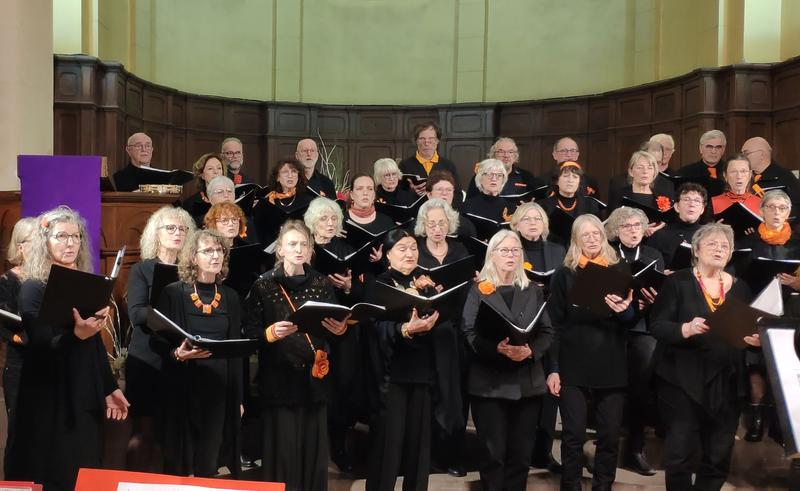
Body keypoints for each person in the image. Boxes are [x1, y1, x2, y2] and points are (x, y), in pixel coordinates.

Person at [8, 206, 129, 491]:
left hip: (82, 390)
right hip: (49, 395)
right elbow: (39, 345)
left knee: (84, 468)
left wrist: (109, 388)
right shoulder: (33, 288)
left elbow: (94, 346)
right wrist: (77, 335)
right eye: (61, 236)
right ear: (44, 241)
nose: (70, 243)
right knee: (54, 471)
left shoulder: (86, 283)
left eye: (75, 237)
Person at [650, 223, 759, 490]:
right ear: (696, 250)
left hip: (727, 380)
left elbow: (747, 327)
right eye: (712, 244)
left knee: (718, 456)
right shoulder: (679, 281)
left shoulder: (740, 287)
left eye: (725, 246)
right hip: (681, 380)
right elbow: (657, 324)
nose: (719, 249)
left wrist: (755, 341)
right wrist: (685, 328)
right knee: (679, 455)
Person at [243, 220, 349, 490]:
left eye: (304, 244)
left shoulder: (321, 283)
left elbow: (335, 324)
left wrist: (341, 328)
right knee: (284, 451)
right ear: (280, 249)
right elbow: (249, 332)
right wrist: (269, 333)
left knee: (313, 451)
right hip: (279, 379)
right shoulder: (263, 286)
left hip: (315, 378)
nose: (299, 249)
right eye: (292, 244)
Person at [546, 214, 635, 491]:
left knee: (609, 436)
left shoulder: (619, 268)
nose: (592, 238)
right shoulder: (565, 273)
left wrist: (624, 311)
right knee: (572, 435)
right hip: (573, 363)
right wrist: (553, 368)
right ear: (576, 240)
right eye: (585, 235)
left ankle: (603, 487)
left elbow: (632, 318)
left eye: (596, 233)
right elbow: (554, 324)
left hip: (610, 362)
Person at [461, 229, 554, 491]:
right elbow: (468, 332)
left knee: (521, 455)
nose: (511, 255)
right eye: (504, 250)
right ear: (492, 255)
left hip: (527, 383)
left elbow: (547, 332)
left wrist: (531, 351)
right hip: (489, 384)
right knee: (493, 454)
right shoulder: (479, 290)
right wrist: (496, 349)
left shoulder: (533, 290)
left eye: (515, 250)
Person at [364, 229, 455, 491]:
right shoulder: (378, 284)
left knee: (419, 448)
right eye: (402, 248)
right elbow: (371, 327)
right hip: (391, 375)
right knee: (387, 448)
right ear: (388, 255)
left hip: (423, 373)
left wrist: (437, 306)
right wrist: (404, 329)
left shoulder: (427, 283)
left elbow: (447, 320)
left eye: (413, 248)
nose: (409, 253)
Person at [155, 229, 243, 477]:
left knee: (209, 460)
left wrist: (238, 398)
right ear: (193, 257)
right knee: (180, 459)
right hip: (184, 384)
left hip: (219, 388)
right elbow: (158, 341)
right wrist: (177, 354)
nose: (216, 256)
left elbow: (236, 351)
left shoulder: (231, 297)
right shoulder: (173, 293)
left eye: (219, 251)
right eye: (208, 251)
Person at [125, 206, 195, 472]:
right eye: (170, 228)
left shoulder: (191, 270)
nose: (177, 233)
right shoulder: (142, 270)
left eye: (182, 229)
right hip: (148, 358)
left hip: (182, 357)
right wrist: (169, 312)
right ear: (156, 233)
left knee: (176, 436)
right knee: (145, 433)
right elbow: (136, 314)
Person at [304, 197, 364, 472]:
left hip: (342, 330)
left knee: (342, 388)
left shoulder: (346, 249)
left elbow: (362, 295)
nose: (329, 224)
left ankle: (339, 447)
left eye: (333, 219)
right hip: (312, 330)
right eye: (323, 219)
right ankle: (312, 450)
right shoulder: (304, 249)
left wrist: (349, 286)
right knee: (313, 388)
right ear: (311, 223)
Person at [605, 207, 664, 476]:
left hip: (642, 328)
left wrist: (653, 299)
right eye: (626, 226)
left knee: (641, 386)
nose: (632, 231)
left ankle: (635, 450)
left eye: (637, 226)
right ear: (617, 230)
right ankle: (607, 443)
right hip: (611, 327)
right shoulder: (607, 254)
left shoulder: (653, 256)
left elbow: (660, 295)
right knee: (612, 386)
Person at [413, 198, 469, 477]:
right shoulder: (416, 252)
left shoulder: (460, 250)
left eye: (442, 223)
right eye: (431, 223)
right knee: (426, 395)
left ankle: (452, 454)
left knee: (451, 396)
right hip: (422, 333)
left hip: (451, 332)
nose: (436, 228)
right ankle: (425, 455)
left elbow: (468, 291)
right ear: (424, 225)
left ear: (450, 224)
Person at [509, 202, 565, 472]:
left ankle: (543, 450)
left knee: (549, 387)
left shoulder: (556, 250)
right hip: (519, 322)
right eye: (527, 219)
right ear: (516, 224)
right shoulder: (510, 249)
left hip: (549, 320)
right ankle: (520, 449)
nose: (533, 223)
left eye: (538, 219)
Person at [740, 190, 799, 442]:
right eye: (771, 207)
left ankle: (779, 423)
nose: (776, 213)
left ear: (788, 213)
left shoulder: (798, 243)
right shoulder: (749, 242)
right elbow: (739, 276)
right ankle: (756, 419)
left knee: (784, 365)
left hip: (791, 309)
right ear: (761, 210)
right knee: (756, 364)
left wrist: (797, 282)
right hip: (757, 305)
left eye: (782, 208)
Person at [0, 217, 37, 472]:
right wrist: (19, 338)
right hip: (19, 364)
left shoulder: (45, 278)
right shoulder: (7, 281)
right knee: (19, 431)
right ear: (21, 246)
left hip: (45, 361)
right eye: (35, 241)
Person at [609, 150, 673, 236]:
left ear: (654, 173)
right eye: (640, 167)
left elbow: (670, 224)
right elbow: (612, 226)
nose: (645, 171)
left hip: (656, 243)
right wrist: (641, 230)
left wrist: (660, 227)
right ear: (631, 172)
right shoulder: (620, 195)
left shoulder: (663, 197)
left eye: (650, 168)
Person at [538, 162, 603, 246]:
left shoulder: (591, 204)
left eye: (575, 177)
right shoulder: (543, 205)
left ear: (579, 182)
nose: (570, 180)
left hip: (583, 248)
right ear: (557, 181)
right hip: (554, 248)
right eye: (565, 176)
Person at [647, 182, 707, 270]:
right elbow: (649, 271)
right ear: (676, 207)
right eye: (686, 199)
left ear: (702, 209)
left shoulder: (709, 235)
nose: (692, 204)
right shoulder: (659, 235)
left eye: (697, 201)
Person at [255, 157, 313, 245]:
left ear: (298, 176)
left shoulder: (309, 202)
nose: (290, 175)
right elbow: (259, 232)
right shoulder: (266, 202)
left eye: (294, 171)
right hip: (272, 250)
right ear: (277, 178)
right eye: (285, 172)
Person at [343, 173, 396, 266]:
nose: (365, 193)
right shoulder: (340, 220)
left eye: (370, 189)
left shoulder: (386, 222)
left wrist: (381, 259)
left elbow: (394, 256)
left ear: (374, 194)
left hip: (377, 276)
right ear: (351, 194)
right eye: (360, 189)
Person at [466, 137, 543, 200]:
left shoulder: (526, 176)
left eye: (510, 152)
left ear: (515, 156)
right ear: (493, 155)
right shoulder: (481, 176)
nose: (506, 155)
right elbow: (470, 203)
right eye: (501, 151)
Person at [399, 121, 461, 198]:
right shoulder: (404, 165)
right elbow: (398, 194)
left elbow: (458, 195)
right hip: (415, 209)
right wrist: (411, 192)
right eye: (422, 138)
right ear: (416, 141)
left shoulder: (448, 165)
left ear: (437, 141)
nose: (427, 143)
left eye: (431, 138)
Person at [742, 136, 800, 216]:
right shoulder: (743, 177)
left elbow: (797, 208)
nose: (742, 158)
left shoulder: (785, 176)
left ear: (761, 155)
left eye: (746, 153)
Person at [461, 159, 513, 238]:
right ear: (480, 178)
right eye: (489, 174)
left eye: (499, 175)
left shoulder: (511, 207)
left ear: (503, 180)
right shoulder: (468, 206)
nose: (494, 178)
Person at [424, 170, 477, 238]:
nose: (444, 193)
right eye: (439, 189)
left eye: (449, 190)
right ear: (429, 194)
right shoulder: (420, 223)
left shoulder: (465, 225)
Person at [676, 129, 727, 196]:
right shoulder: (684, 173)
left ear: (723, 150)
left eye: (718, 147)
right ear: (701, 148)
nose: (713, 151)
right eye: (709, 147)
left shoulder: (730, 171)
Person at [182, 153, 228, 226]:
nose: (216, 172)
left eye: (219, 168)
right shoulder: (191, 203)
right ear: (202, 175)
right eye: (210, 168)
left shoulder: (231, 198)